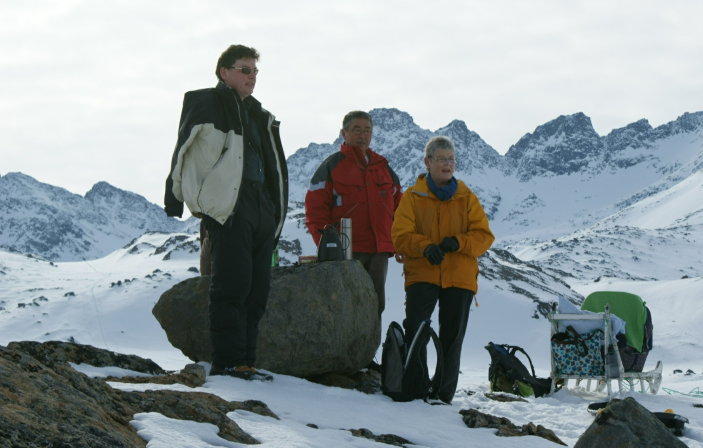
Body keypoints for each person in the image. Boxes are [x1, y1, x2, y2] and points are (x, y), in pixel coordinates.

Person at [164, 45, 289, 381]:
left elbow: (274, 166)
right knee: (231, 286)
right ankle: (228, 362)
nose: (252, 76)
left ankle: (247, 361)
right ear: (224, 72)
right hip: (228, 205)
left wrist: (276, 212)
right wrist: (174, 196)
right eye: (244, 69)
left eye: (255, 71)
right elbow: (183, 147)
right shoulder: (206, 102)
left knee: (256, 290)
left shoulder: (260, 115)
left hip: (262, 207)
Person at [391, 136, 494, 403]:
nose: (447, 165)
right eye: (441, 159)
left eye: (451, 159)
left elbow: (484, 236)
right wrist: (424, 247)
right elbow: (400, 235)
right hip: (422, 273)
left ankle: (443, 394)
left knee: (452, 337)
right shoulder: (412, 197)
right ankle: (415, 388)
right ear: (427, 162)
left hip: (459, 277)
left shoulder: (466, 197)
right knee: (416, 329)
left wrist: (459, 242)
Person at [304, 111, 403, 319]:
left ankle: (370, 351)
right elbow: (315, 211)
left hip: (379, 252)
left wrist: (398, 243)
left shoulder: (384, 168)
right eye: (356, 130)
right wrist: (326, 247)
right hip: (346, 253)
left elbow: (400, 210)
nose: (362, 135)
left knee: (375, 306)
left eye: (367, 131)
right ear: (344, 133)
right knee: (345, 308)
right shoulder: (330, 167)